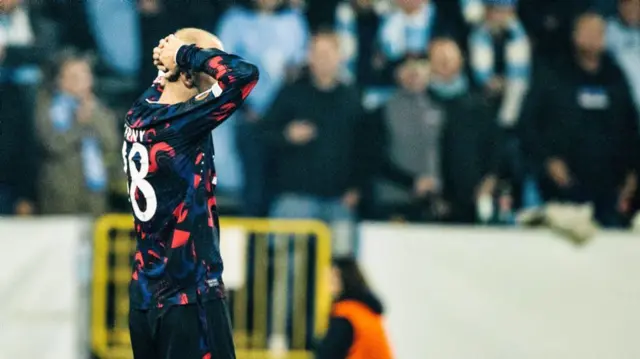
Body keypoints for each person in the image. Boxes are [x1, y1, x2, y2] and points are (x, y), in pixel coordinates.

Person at [124, 28, 259, 359]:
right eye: (210, 67)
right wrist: (185, 54)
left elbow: (166, 81)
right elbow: (244, 76)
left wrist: (170, 56)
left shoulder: (139, 112)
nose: (216, 75)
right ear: (187, 74)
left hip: (145, 296)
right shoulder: (181, 123)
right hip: (188, 297)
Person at [519, 13, 640, 228]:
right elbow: (530, 122)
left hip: (610, 186)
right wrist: (547, 161)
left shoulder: (615, 76)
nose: (594, 38)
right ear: (575, 36)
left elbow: (631, 127)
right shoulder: (553, 73)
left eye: (599, 33)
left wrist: (632, 172)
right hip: (563, 184)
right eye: (588, 32)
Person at [36, 48, 119, 215]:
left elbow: (112, 142)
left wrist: (93, 116)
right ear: (60, 80)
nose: (82, 81)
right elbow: (53, 144)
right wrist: (79, 124)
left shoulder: (98, 108)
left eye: (85, 75)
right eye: (74, 76)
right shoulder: (49, 107)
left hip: (95, 192)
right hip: (62, 194)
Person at [316, 257, 393, 359]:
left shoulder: (346, 315)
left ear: (343, 280)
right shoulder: (365, 312)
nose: (326, 286)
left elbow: (327, 354)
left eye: (331, 280)